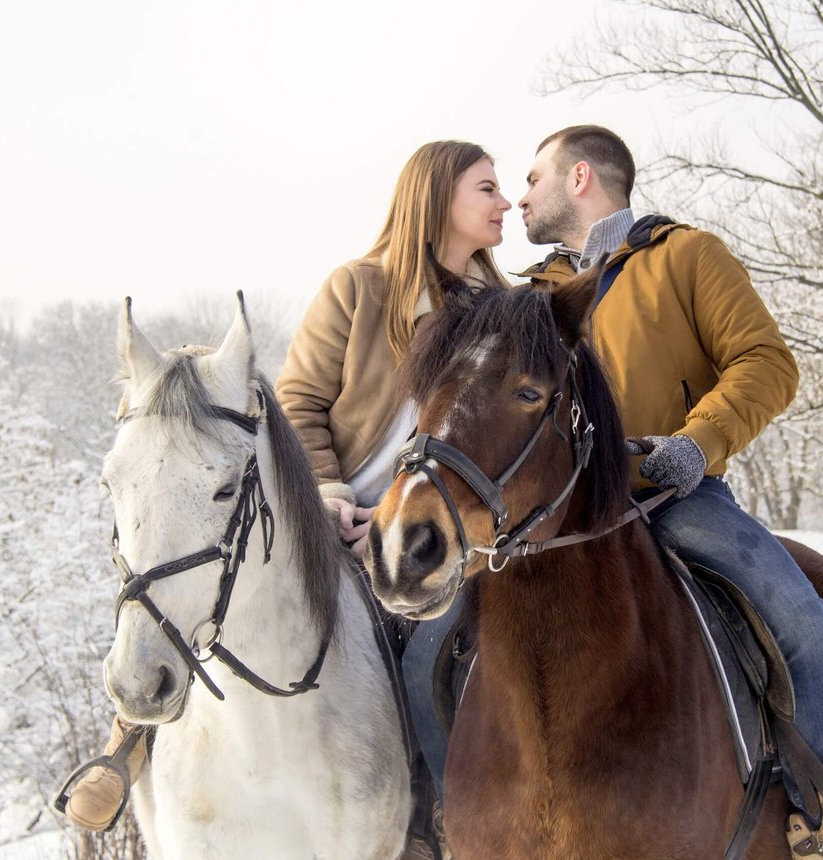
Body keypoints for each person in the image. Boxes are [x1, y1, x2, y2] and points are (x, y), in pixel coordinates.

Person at [60, 141, 511, 851]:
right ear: (436, 200)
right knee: (200, 577)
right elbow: (299, 401)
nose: (505, 202)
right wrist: (329, 491)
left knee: (455, 654)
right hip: (333, 516)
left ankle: (436, 813)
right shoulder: (358, 288)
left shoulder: (498, 313)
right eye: (487, 189)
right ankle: (133, 741)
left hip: (432, 530)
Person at [517, 124, 823, 860]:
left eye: (534, 178)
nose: (521, 195)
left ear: (579, 178)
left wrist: (696, 446)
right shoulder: (530, 295)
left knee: (794, 606)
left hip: (671, 500)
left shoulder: (687, 256)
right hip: (554, 520)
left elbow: (767, 361)